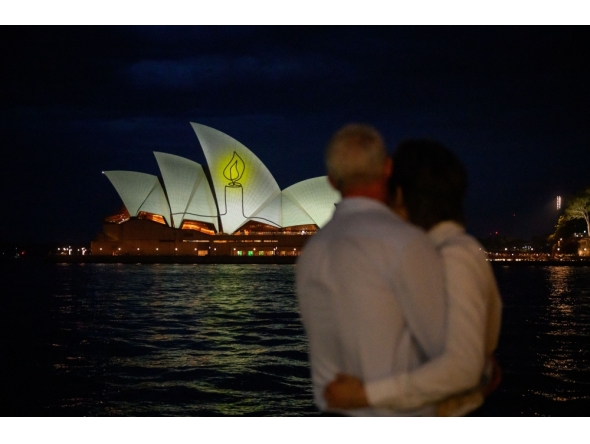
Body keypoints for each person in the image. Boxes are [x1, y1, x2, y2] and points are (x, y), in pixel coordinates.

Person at [323, 139, 503, 416]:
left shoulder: (452, 256)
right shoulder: (439, 252)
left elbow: (462, 368)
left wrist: (364, 395)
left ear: (401, 196)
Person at [296, 125, 447, 416]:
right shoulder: (407, 242)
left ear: (331, 180)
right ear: (387, 168)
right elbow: (444, 354)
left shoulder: (311, 253)